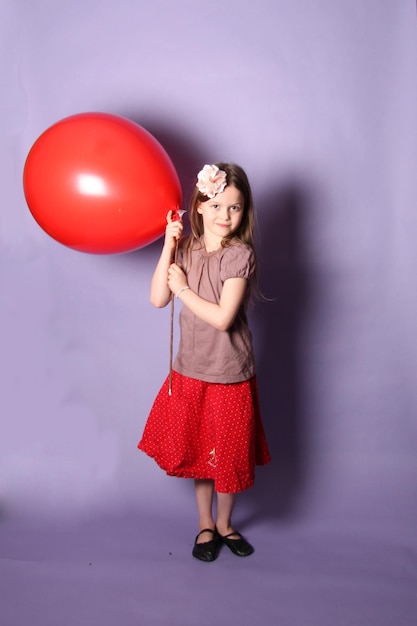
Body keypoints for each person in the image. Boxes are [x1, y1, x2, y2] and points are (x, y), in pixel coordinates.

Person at [138, 163, 271, 562]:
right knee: (201, 453)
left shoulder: (239, 256)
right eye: (215, 206)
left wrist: (184, 289)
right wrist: (168, 245)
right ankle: (205, 524)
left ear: (244, 212)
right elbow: (158, 298)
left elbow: (222, 318)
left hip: (229, 374)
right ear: (198, 207)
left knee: (226, 458)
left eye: (234, 208)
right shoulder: (188, 249)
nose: (224, 216)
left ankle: (226, 524)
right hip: (190, 370)